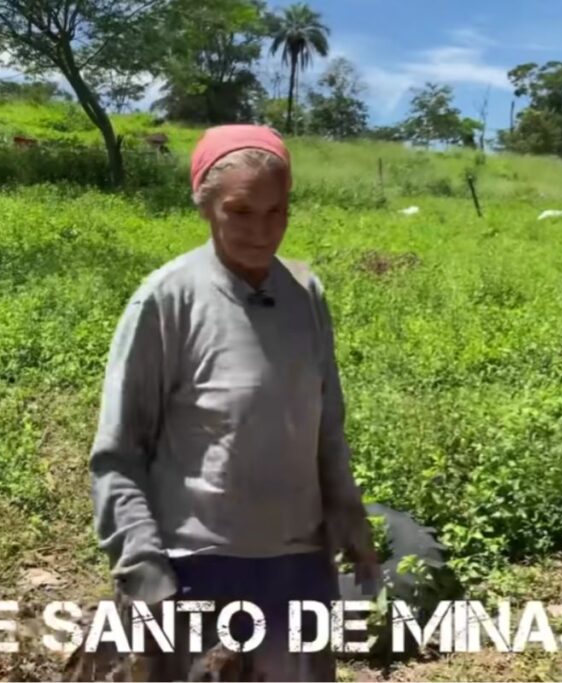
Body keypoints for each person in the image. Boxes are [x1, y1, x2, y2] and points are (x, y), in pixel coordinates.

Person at [89, 124, 379, 681]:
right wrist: (144, 570)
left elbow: (326, 426)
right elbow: (118, 455)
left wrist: (347, 512)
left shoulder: (305, 295)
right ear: (205, 206)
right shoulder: (166, 301)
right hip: (197, 568)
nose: (261, 231)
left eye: (276, 212)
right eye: (241, 212)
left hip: (297, 567)